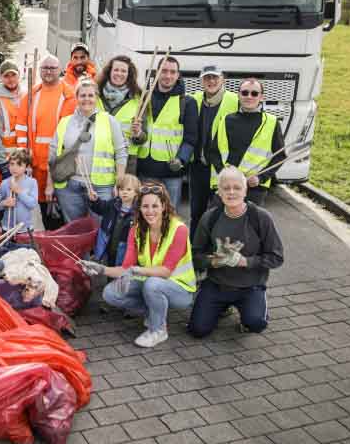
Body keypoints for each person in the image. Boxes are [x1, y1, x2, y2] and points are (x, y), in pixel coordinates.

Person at [93, 181, 197, 348]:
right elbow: (126, 268)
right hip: (151, 282)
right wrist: (101, 269)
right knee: (110, 294)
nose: (150, 211)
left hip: (180, 290)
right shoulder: (136, 229)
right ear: (139, 208)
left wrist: (138, 270)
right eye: (145, 206)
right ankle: (155, 311)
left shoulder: (179, 229)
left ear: (164, 206)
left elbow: (166, 271)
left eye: (155, 206)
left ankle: (158, 330)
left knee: (152, 284)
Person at [188, 167, 284, 338]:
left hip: (250, 286)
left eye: (237, 188)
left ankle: (253, 309)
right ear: (219, 192)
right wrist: (213, 261)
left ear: (245, 190)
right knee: (198, 330)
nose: (231, 192)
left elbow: (276, 257)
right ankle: (223, 306)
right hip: (217, 284)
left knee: (256, 323)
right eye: (226, 188)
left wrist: (245, 262)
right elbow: (194, 256)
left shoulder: (261, 217)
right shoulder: (210, 218)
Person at [49, 79, 127, 223]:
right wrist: (49, 185)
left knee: (100, 230)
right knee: (74, 229)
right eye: (83, 95)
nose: (87, 99)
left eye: (90, 95)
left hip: (101, 186)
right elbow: (53, 153)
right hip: (70, 186)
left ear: (96, 98)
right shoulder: (65, 122)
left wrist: (119, 182)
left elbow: (121, 152)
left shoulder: (110, 121)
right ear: (76, 97)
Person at [15, 54, 76, 229]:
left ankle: (60, 248)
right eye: (45, 68)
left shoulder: (69, 96)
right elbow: (21, 127)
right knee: (42, 208)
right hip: (35, 165)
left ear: (60, 70)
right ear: (40, 70)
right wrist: (23, 156)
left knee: (61, 211)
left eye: (52, 68)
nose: (49, 71)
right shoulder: (31, 95)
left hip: (59, 166)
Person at [130, 56, 198, 209]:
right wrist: (137, 133)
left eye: (172, 72)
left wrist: (181, 160)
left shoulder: (187, 102)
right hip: (146, 169)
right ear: (157, 73)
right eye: (164, 71)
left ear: (178, 75)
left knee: (170, 215)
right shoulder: (144, 98)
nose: (168, 76)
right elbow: (140, 135)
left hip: (172, 172)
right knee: (146, 214)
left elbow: (191, 138)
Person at [214, 78, 285, 206]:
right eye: (245, 92)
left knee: (251, 225)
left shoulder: (271, 122)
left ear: (261, 97)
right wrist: (224, 174)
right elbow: (212, 151)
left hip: (255, 190)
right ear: (238, 95)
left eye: (254, 93)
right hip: (227, 186)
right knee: (219, 224)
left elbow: (280, 156)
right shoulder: (226, 120)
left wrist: (260, 178)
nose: (249, 96)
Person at [189, 65, 239, 238]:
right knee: (196, 213)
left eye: (215, 77)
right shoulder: (193, 99)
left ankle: (215, 254)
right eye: (207, 78)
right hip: (198, 168)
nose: (211, 81)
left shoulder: (234, 100)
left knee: (220, 213)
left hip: (221, 169)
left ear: (222, 79)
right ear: (201, 81)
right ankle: (194, 254)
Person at [96, 55, 143, 174]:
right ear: (109, 72)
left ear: (129, 74)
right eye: (116, 70)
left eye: (123, 71)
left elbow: (143, 137)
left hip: (127, 159)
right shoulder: (95, 95)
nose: (119, 73)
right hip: (98, 156)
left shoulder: (138, 99)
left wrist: (138, 134)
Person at [89, 174, 140, 266]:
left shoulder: (138, 212)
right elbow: (101, 208)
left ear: (136, 192)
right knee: (110, 267)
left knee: (121, 271)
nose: (124, 192)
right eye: (121, 189)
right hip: (109, 246)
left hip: (124, 250)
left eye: (128, 190)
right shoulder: (113, 203)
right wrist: (95, 201)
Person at [0, 60, 24, 181]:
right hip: (5, 158)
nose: (10, 79)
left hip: (23, 156)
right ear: (0, 77)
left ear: (19, 75)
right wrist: (2, 163)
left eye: (13, 75)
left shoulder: (26, 96)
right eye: (6, 76)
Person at [0, 148, 39, 232]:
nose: (14, 168)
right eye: (12, 164)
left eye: (19, 165)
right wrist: (4, 203)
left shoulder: (32, 182)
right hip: (7, 228)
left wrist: (19, 192)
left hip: (26, 229)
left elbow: (33, 204)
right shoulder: (5, 183)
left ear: (26, 166)